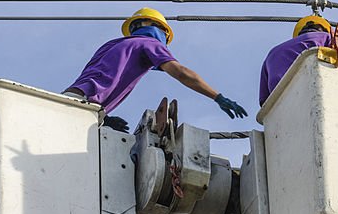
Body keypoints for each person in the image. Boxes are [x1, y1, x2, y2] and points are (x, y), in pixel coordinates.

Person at [64, 8, 247, 132]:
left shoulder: (113, 45)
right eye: (164, 33)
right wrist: (217, 97)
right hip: (82, 106)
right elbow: (180, 72)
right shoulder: (148, 43)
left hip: (75, 103)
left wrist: (103, 117)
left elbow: (100, 79)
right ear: (150, 26)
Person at [259, 14, 332, 106]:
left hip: (279, 101)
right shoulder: (325, 37)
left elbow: (263, 100)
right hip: (308, 88)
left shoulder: (272, 53)